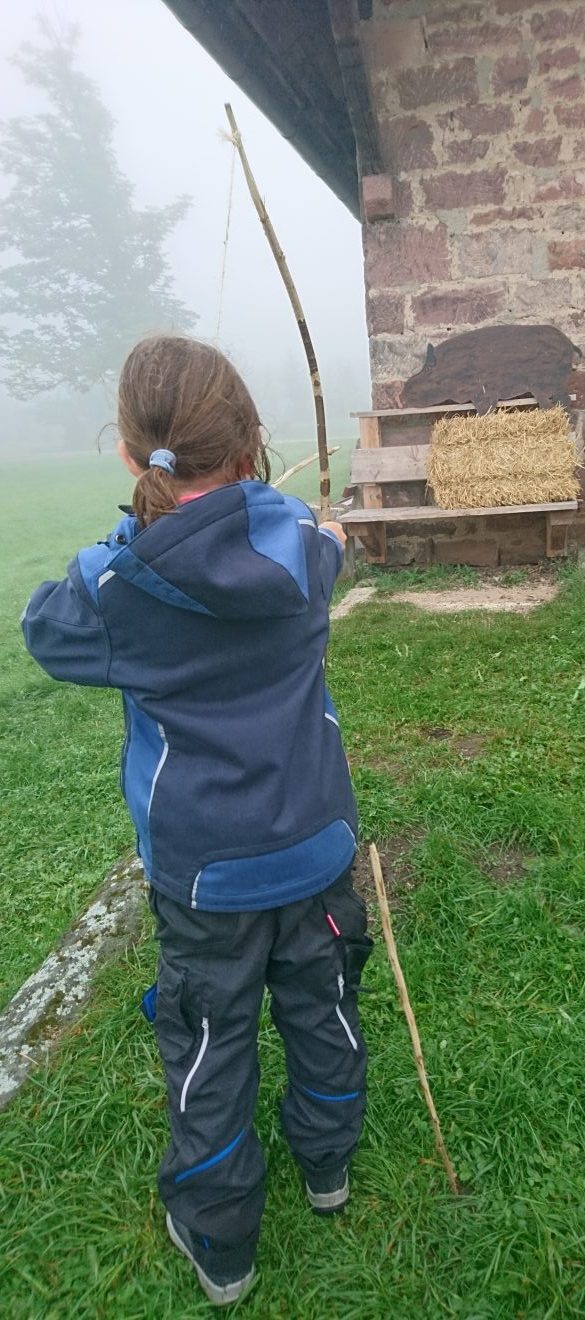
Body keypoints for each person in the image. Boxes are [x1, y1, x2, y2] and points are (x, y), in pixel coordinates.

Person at [22, 335, 372, 1307]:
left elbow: (46, 629)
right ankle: (327, 1168)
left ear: (133, 455)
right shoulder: (302, 546)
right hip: (314, 851)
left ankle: (222, 1245)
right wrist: (327, 531)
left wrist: (124, 543)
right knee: (322, 1005)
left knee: (212, 1042)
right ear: (254, 443)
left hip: (204, 876)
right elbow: (324, 554)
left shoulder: (116, 584)